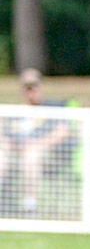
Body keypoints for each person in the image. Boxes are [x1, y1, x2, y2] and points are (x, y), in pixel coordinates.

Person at [0, 68, 74, 216]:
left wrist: (37, 145)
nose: (31, 91)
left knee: (31, 154)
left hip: (49, 155)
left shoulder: (53, 107)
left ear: (40, 86)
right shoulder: (15, 113)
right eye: (27, 87)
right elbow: (5, 136)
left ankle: (30, 206)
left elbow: (63, 132)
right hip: (16, 154)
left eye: (33, 86)